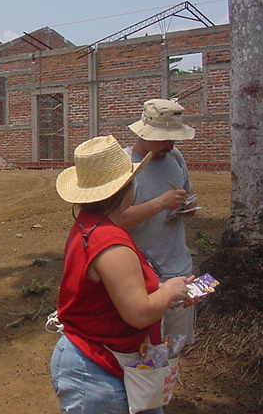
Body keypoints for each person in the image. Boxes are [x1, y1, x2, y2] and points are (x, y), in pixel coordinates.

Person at [50, 135, 192, 414]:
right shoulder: (112, 243)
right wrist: (168, 292)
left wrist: (166, 291)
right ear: (127, 188)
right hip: (97, 367)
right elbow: (138, 313)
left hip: (101, 360)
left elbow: (118, 292)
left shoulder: (90, 225)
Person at [120, 98, 198, 347]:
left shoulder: (175, 156)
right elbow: (116, 221)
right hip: (143, 277)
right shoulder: (124, 165)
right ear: (144, 133)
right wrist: (160, 204)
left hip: (179, 268)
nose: (171, 144)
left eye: (174, 138)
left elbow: (188, 198)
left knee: (176, 345)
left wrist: (186, 209)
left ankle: (168, 382)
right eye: (164, 138)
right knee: (144, 351)